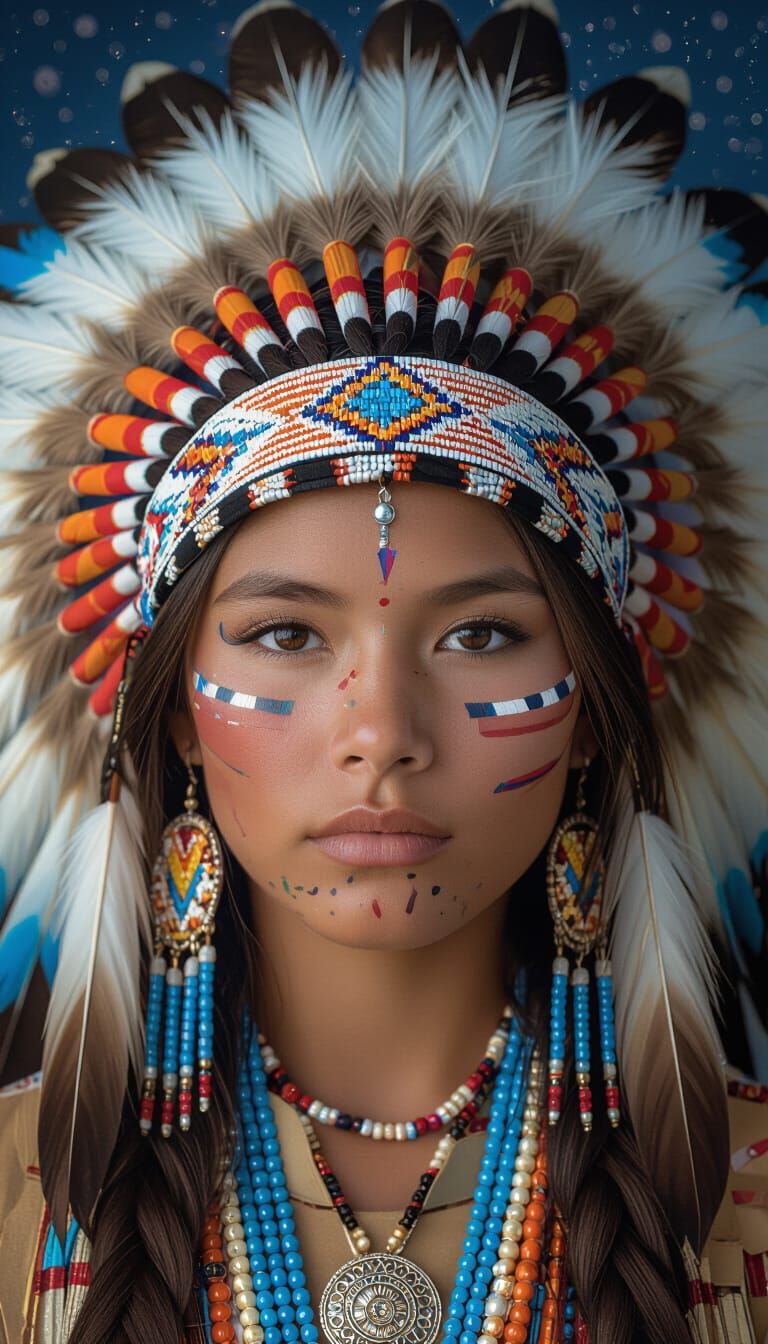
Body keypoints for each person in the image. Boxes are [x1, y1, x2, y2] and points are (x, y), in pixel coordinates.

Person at [0, 3, 765, 1343]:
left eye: (482, 636)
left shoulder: (745, 1208)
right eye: (287, 636)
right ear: (177, 706)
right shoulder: (18, 1211)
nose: (385, 735)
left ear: (594, 712)